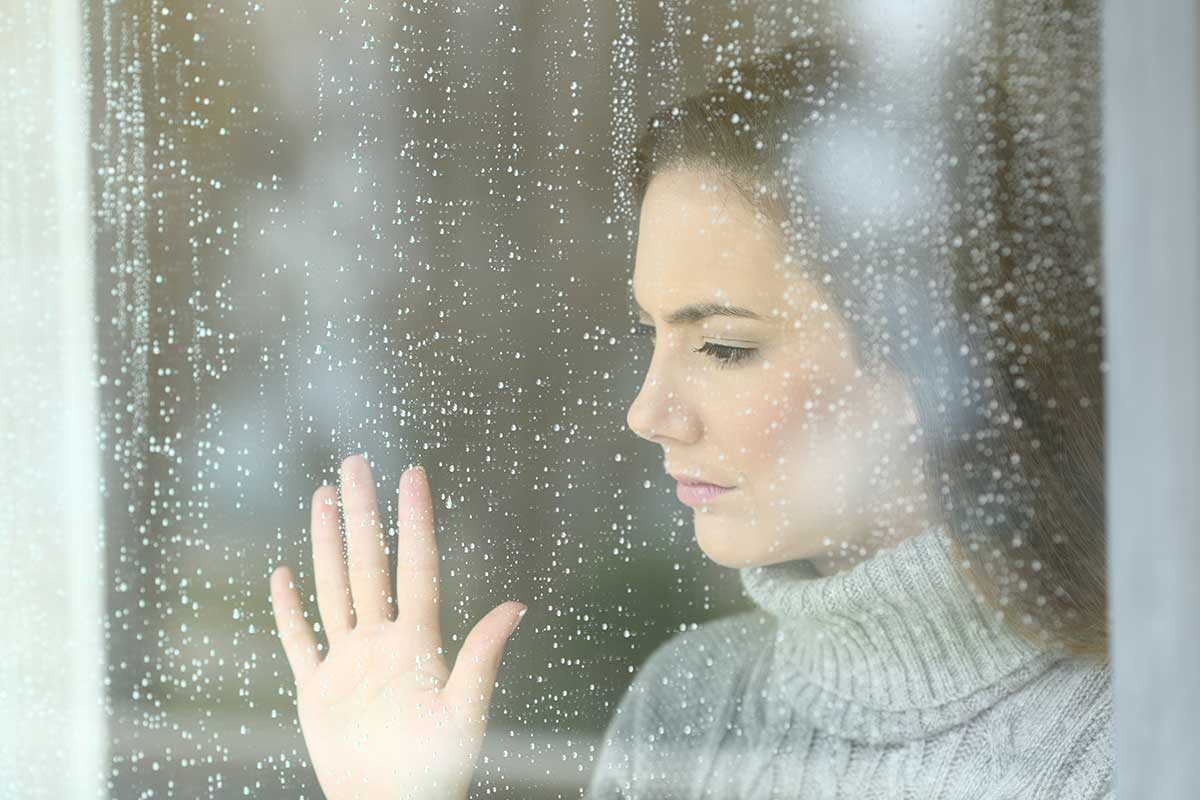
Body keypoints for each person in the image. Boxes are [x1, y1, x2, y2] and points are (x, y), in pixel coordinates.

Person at [268, 40, 1112, 800]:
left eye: (723, 346)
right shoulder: (687, 707)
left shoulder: (1140, 739)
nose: (647, 412)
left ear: (934, 354)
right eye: (652, 332)